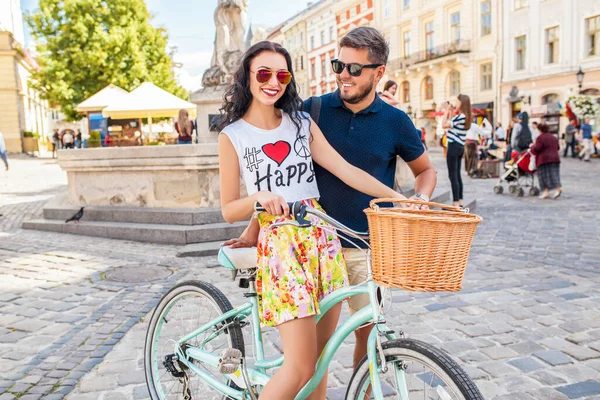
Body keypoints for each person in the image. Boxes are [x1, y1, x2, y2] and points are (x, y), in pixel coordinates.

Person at [222, 29, 436, 399]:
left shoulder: (302, 123)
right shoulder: (239, 133)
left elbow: (344, 170)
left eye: (282, 75)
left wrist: (398, 198)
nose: (274, 82)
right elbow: (236, 205)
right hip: (284, 246)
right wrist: (256, 213)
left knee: (325, 355)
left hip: (326, 241)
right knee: (302, 364)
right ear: (247, 77)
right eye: (263, 74)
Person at [442, 94, 471, 207]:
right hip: (460, 147)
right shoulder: (465, 116)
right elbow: (452, 124)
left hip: (454, 147)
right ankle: (460, 202)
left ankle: (455, 203)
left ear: (462, 103)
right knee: (457, 175)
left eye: (457, 102)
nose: (456, 103)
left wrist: (446, 111)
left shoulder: (461, 116)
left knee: (453, 175)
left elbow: (444, 125)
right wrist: (451, 111)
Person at [531, 122, 561, 199]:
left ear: (540, 130)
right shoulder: (553, 137)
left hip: (543, 159)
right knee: (554, 174)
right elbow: (557, 147)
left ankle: (545, 192)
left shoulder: (540, 138)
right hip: (555, 158)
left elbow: (537, 148)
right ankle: (558, 188)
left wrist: (532, 147)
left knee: (543, 176)